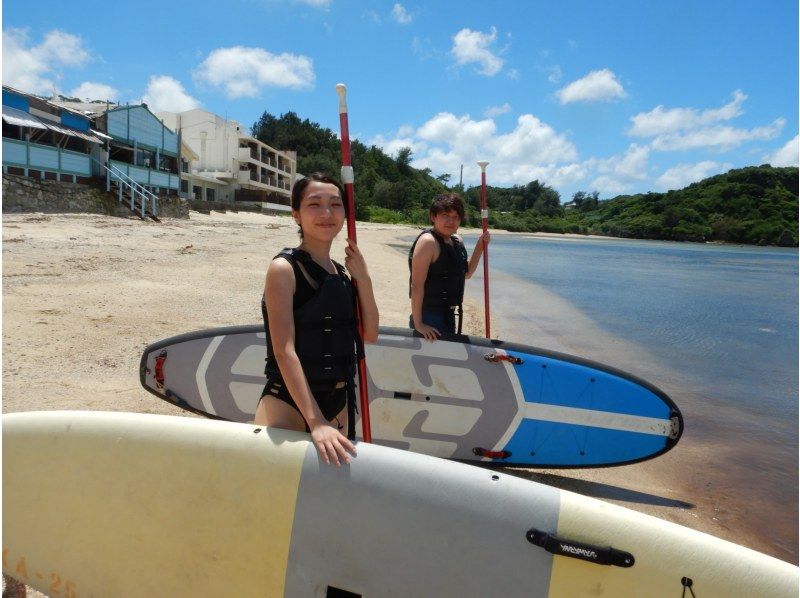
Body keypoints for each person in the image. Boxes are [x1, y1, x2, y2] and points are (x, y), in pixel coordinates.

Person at [254, 172, 379, 466]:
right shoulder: (283, 269)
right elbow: (284, 351)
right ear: (296, 214)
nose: (326, 213)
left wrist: (364, 279)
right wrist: (316, 421)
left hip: (339, 400)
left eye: (336, 205)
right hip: (288, 403)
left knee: (326, 504)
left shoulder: (343, 273)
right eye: (315, 204)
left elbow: (370, 334)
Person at [409, 193, 490, 340]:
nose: (450, 221)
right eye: (445, 215)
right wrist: (419, 324)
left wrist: (480, 247)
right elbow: (416, 286)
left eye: (456, 217)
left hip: (450, 315)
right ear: (433, 217)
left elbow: (467, 273)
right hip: (429, 316)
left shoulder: (457, 241)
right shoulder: (428, 242)